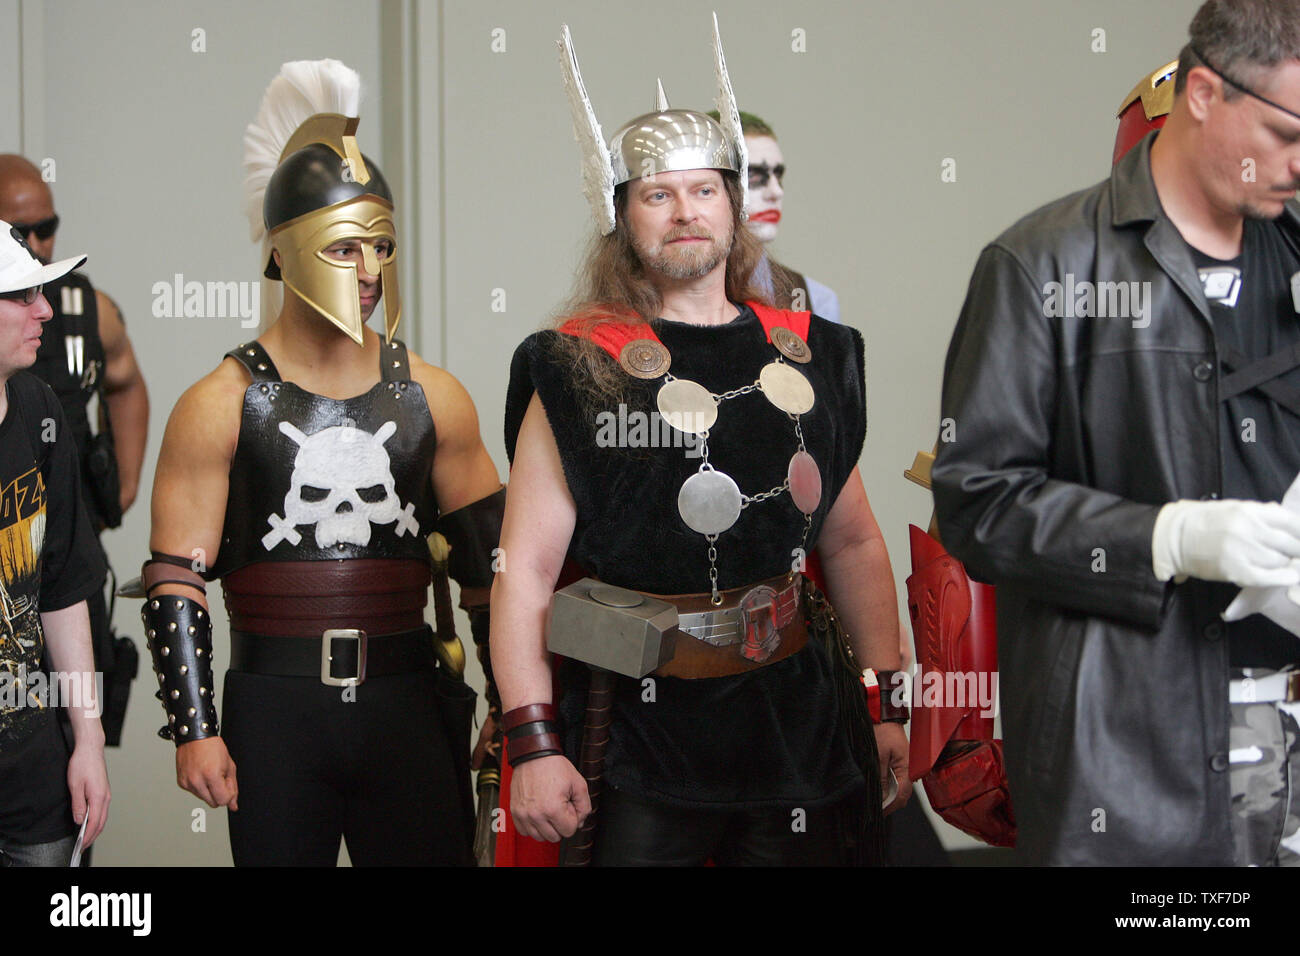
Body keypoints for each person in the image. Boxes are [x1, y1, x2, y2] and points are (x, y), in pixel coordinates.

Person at [492, 18, 906, 866]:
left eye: (706, 190)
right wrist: (532, 743)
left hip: (797, 720)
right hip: (642, 734)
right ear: (621, 216)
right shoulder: (576, 367)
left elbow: (854, 538)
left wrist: (886, 699)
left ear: (735, 203)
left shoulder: (814, 350)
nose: (687, 212)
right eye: (658, 195)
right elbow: (526, 571)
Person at [931, 0, 1300, 865]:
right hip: (1131, 755)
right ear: (1203, 92)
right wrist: (1168, 537)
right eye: (1288, 130)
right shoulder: (1041, 267)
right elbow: (977, 505)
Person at [142, 60, 504, 866]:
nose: (370, 272)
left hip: (407, 700)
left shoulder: (434, 397)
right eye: (345, 248)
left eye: (382, 246)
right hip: (275, 709)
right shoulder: (221, 402)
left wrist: (515, 706)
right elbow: (176, 578)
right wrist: (195, 729)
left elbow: (489, 570)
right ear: (285, 252)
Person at [0, 155, 149, 749]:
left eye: (47, 228)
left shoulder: (87, 310)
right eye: (21, 233)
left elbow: (127, 381)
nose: (36, 244)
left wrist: (124, 487)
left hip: (61, 555)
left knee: (70, 759)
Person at [0, 222, 110, 865]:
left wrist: (88, 740)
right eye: (21, 296)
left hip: (32, 774)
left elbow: (64, 587)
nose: (45, 308)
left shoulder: (40, 409)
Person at [707, 111, 840, 321]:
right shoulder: (658, 294)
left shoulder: (815, 300)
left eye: (778, 175)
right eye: (753, 175)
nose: (776, 192)